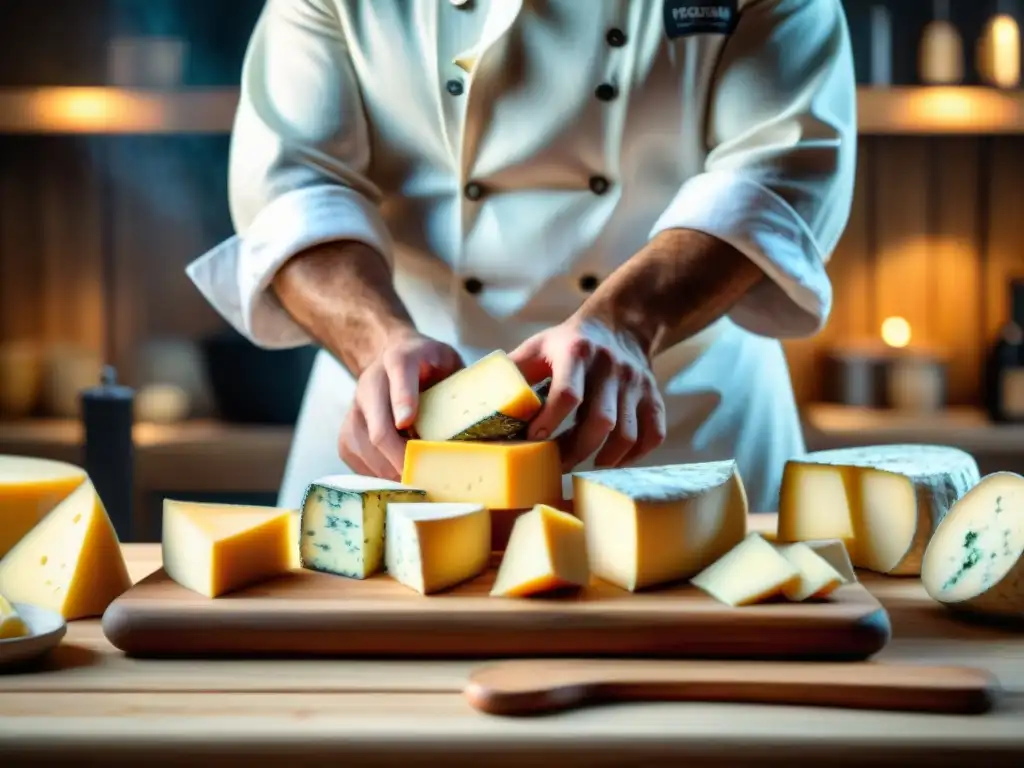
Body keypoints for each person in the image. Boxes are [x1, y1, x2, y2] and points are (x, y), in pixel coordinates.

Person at [187, 0, 856, 513]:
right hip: (400, 425)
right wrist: (377, 343)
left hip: (678, 420)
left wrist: (623, 324)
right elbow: (295, 189)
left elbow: (772, 178)